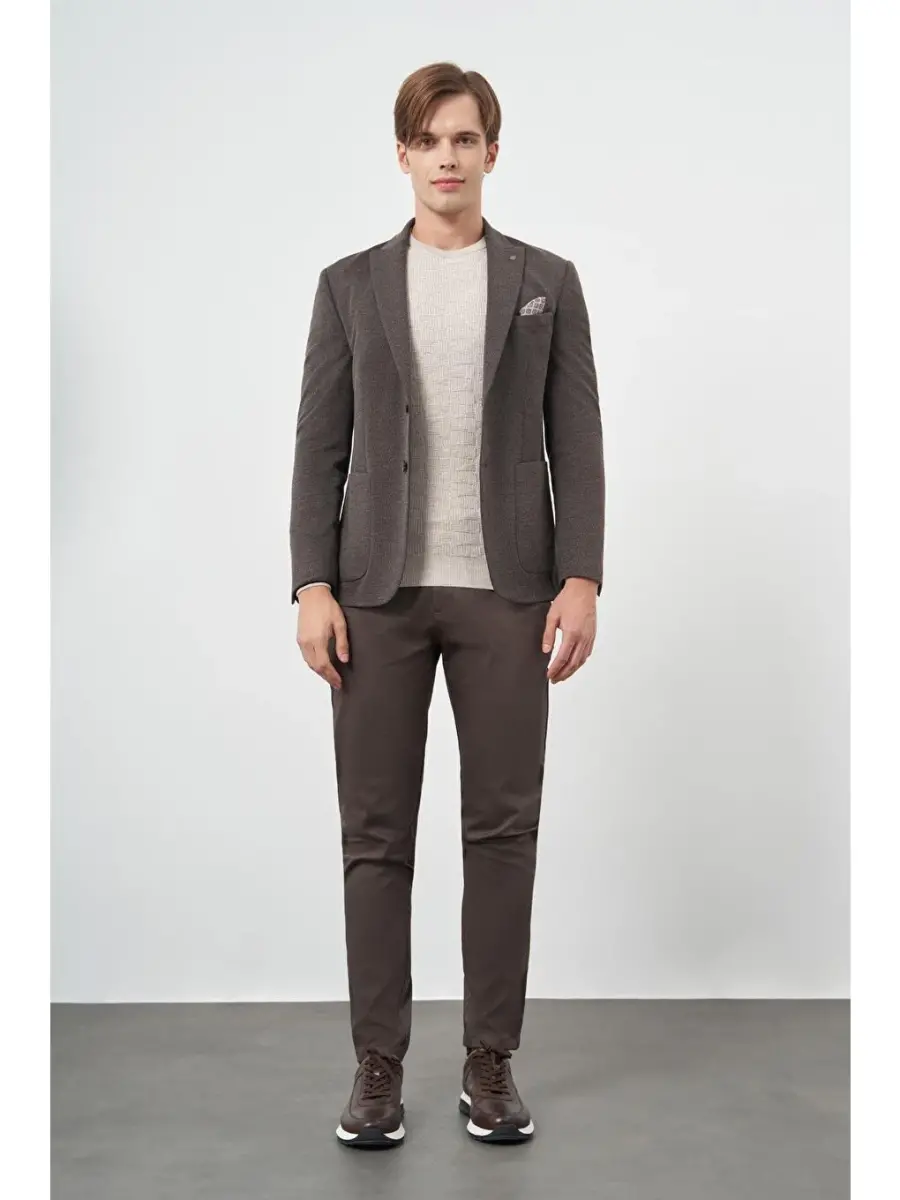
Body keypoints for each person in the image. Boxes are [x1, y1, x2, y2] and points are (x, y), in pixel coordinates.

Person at [289, 60, 605, 1149]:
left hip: (511, 593)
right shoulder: (349, 285)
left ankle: (490, 1061)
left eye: (466, 138)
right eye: (429, 140)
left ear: (492, 152)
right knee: (375, 836)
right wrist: (312, 583)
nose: (448, 157)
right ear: (403, 155)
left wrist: (582, 575)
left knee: (503, 829)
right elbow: (318, 447)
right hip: (375, 597)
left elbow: (578, 439)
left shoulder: (546, 281)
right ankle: (377, 1067)